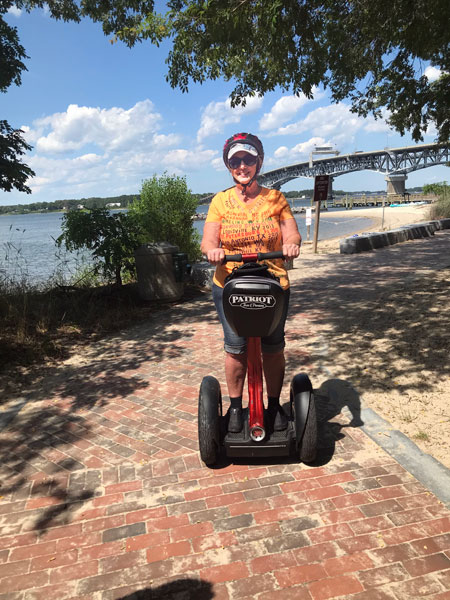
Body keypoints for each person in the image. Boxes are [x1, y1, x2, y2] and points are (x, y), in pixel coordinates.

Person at [201, 132, 301, 433]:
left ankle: (272, 405)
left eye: (248, 159)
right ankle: (235, 407)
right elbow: (207, 241)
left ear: (259, 161)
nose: (242, 165)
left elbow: (292, 233)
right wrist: (213, 251)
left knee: (273, 347)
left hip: (272, 282)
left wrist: (291, 245)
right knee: (236, 347)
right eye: (236, 160)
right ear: (228, 164)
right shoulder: (220, 201)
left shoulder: (276, 198)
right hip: (231, 283)